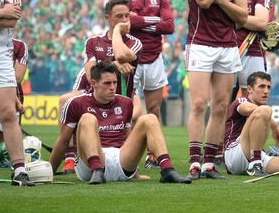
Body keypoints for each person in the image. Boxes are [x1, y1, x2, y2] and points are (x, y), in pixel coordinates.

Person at [49, 61, 190, 184]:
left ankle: (167, 170)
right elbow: (63, 140)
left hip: (120, 160)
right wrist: (50, 172)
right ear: (93, 84)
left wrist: (137, 173)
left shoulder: (125, 102)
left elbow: (128, 138)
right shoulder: (76, 103)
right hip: (89, 167)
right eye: (107, 83)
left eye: (114, 82)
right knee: (88, 118)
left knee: (150, 118)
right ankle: (97, 170)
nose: (112, 87)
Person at [185, 0, 248, 179]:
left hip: (227, 45)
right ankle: (193, 162)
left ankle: (209, 163)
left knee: (221, 106)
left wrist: (221, 0)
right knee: (200, 103)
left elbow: (242, 16)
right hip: (200, 42)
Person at [61, 0, 143, 173]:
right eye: (118, 16)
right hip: (96, 98)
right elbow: (91, 73)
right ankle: (69, 158)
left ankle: (129, 164)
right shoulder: (93, 42)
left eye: (127, 16)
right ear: (107, 18)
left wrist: (117, 35)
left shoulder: (135, 43)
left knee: (139, 115)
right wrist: (115, 66)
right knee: (65, 100)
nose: (123, 20)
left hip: (121, 100)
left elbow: (121, 55)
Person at [114, 0, 175, 120]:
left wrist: (138, 20)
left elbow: (169, 26)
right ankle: (125, 147)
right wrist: (156, 20)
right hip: (131, 58)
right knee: (128, 111)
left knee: (154, 110)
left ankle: (153, 147)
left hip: (155, 57)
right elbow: (124, 25)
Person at [0, 0, 29, 186]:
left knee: (7, 112)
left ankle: (19, 169)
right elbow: (4, 16)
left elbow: (12, 19)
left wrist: (5, 13)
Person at [230, 0, 272, 94]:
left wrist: (233, 18)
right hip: (224, 49)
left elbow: (261, 23)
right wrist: (248, 20)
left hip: (252, 51)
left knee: (255, 103)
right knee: (222, 104)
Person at [0, 38, 27, 146]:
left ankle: (4, 160)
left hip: (9, 93)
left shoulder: (19, 45)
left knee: (5, 133)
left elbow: (18, 77)